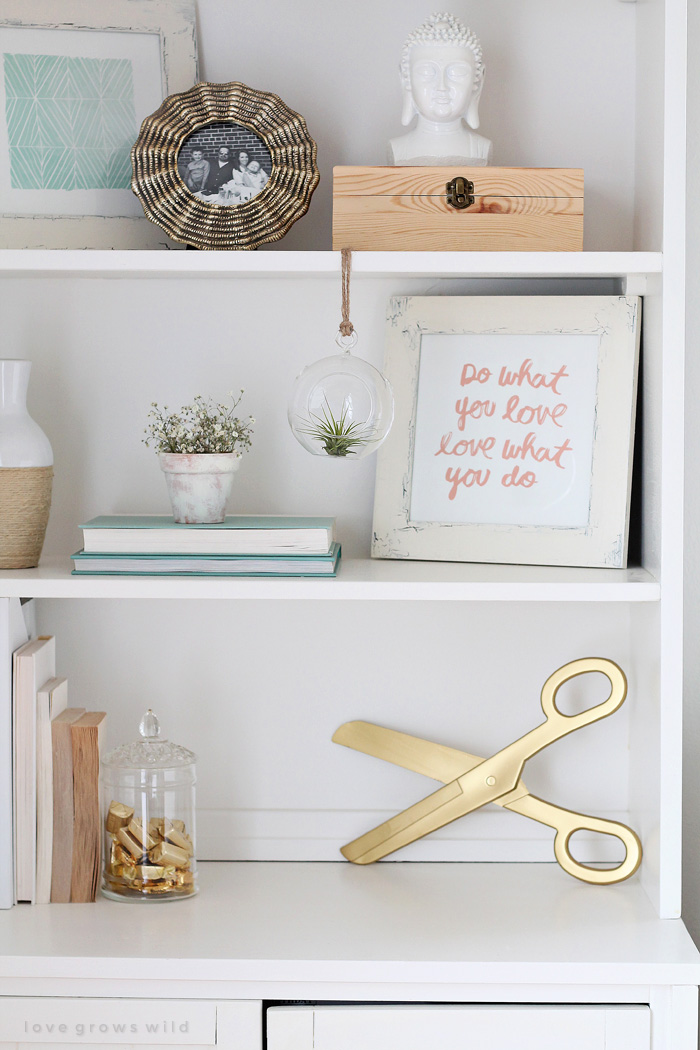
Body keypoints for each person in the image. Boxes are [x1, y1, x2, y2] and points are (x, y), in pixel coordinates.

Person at [389, 12, 492, 166]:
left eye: (457, 73)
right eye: (427, 72)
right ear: (406, 80)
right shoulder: (398, 149)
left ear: (477, 81)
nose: (441, 87)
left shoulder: (481, 149)